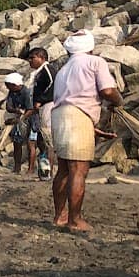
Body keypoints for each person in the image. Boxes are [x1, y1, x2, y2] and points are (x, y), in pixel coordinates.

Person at [50, 31, 122, 233]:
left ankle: (60, 216)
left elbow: (69, 101)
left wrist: (92, 129)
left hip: (59, 116)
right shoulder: (95, 62)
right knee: (78, 170)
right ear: (90, 48)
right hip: (78, 116)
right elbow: (108, 91)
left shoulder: (63, 70)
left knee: (64, 169)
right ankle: (75, 220)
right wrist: (118, 102)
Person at [25, 45, 55, 180]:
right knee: (41, 139)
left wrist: (41, 100)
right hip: (39, 107)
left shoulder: (48, 69)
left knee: (48, 137)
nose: (30, 61)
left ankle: (50, 171)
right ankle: (44, 170)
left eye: (32, 58)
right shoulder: (38, 73)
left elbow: (53, 85)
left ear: (42, 58)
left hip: (48, 105)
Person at [2, 74, 33, 175]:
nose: (7, 87)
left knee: (31, 144)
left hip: (31, 120)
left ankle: (30, 169)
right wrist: (16, 111)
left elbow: (30, 109)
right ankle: (17, 168)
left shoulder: (26, 92)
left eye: (8, 85)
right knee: (17, 142)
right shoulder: (12, 92)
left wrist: (21, 119)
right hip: (19, 119)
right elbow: (8, 106)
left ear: (14, 84)